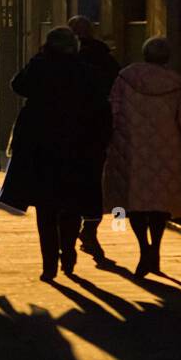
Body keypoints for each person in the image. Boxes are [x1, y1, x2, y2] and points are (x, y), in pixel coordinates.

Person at [2, 26, 111, 283]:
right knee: (71, 203)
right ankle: (69, 252)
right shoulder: (84, 71)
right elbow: (101, 107)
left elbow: (17, 85)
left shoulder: (41, 66)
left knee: (46, 208)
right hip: (77, 146)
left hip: (41, 146)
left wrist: (37, 59)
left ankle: (49, 263)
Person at [104, 36, 181, 278]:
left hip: (131, 146)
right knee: (159, 203)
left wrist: (110, 140)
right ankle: (156, 248)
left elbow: (113, 110)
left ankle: (144, 248)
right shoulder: (176, 84)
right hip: (167, 149)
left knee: (135, 203)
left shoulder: (125, 78)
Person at [68, 15, 120, 264]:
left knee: (68, 185)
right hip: (96, 131)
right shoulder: (104, 57)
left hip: (67, 134)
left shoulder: (62, 62)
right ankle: (89, 230)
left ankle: (68, 243)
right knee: (93, 183)